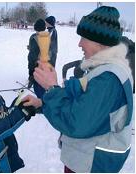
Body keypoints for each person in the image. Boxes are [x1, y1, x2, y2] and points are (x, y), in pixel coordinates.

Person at [25, 6, 134, 173]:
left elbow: (76, 123)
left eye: (84, 38)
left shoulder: (108, 79)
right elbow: (81, 101)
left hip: (92, 164)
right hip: (86, 158)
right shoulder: (103, 68)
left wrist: (52, 88)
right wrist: (42, 103)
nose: (79, 43)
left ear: (100, 42)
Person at [27, 19, 49, 98]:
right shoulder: (47, 36)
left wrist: (31, 71)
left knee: (38, 86)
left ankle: (42, 103)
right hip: (45, 64)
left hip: (36, 65)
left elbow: (32, 56)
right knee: (42, 84)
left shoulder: (35, 38)